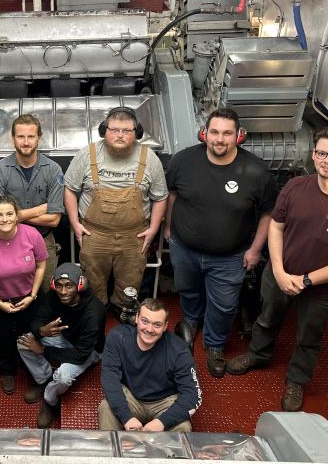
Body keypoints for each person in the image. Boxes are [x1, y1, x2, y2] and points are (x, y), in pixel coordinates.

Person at [227, 125, 328, 411]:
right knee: (266, 318)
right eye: (322, 153)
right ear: (313, 154)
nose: (327, 160)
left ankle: (296, 380)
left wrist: (306, 280)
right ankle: (258, 354)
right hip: (279, 274)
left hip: (320, 289)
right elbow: (276, 226)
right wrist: (278, 270)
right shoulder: (296, 187)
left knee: (309, 336)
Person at [164, 108, 278, 378]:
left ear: (239, 136)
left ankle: (214, 345)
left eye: (227, 133)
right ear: (205, 133)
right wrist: (168, 227)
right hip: (185, 248)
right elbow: (171, 195)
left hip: (230, 256)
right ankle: (191, 322)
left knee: (224, 305)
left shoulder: (256, 171)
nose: (219, 139)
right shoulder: (183, 161)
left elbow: (268, 213)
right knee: (187, 290)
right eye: (214, 132)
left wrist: (255, 249)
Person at [64, 107, 168, 308]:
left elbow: (161, 197)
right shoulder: (87, 154)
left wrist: (154, 228)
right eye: (115, 129)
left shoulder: (149, 159)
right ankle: (95, 321)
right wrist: (75, 223)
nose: (120, 135)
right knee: (92, 289)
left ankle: (124, 320)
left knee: (130, 288)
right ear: (104, 130)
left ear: (136, 133)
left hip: (134, 238)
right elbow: (69, 189)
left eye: (127, 130)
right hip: (94, 236)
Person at [0, 194, 48, 394]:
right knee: (1, 338)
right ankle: (7, 371)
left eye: (9, 213)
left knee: (29, 335)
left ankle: (33, 370)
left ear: (17, 216)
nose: (4, 219)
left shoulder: (32, 235)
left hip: (28, 298)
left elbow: (41, 266)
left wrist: (32, 296)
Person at [17, 263, 106, 428]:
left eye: (69, 286)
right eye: (59, 285)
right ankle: (44, 379)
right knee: (23, 343)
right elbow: (38, 319)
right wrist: (41, 331)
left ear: (79, 285)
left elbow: (81, 354)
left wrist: (43, 350)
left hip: (88, 351)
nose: (63, 292)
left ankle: (49, 399)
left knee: (63, 377)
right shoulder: (53, 295)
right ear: (53, 284)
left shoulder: (94, 312)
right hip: (65, 337)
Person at [98, 298, 202, 431]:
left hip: (164, 402)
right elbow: (109, 377)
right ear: (137, 318)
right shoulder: (117, 337)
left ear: (165, 326)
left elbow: (192, 395)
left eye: (157, 324)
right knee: (106, 408)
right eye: (144, 321)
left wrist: (162, 422)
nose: (149, 329)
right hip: (131, 396)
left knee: (183, 427)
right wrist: (126, 417)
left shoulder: (179, 350)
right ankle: (111, 451)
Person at [0, 114, 64, 295]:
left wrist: (15, 215)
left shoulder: (53, 170)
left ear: (39, 137)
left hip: (44, 241)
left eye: (31, 136)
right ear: (13, 139)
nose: (26, 142)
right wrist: (40, 209)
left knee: (46, 294)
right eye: (21, 136)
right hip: (7, 241)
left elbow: (54, 220)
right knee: (9, 293)